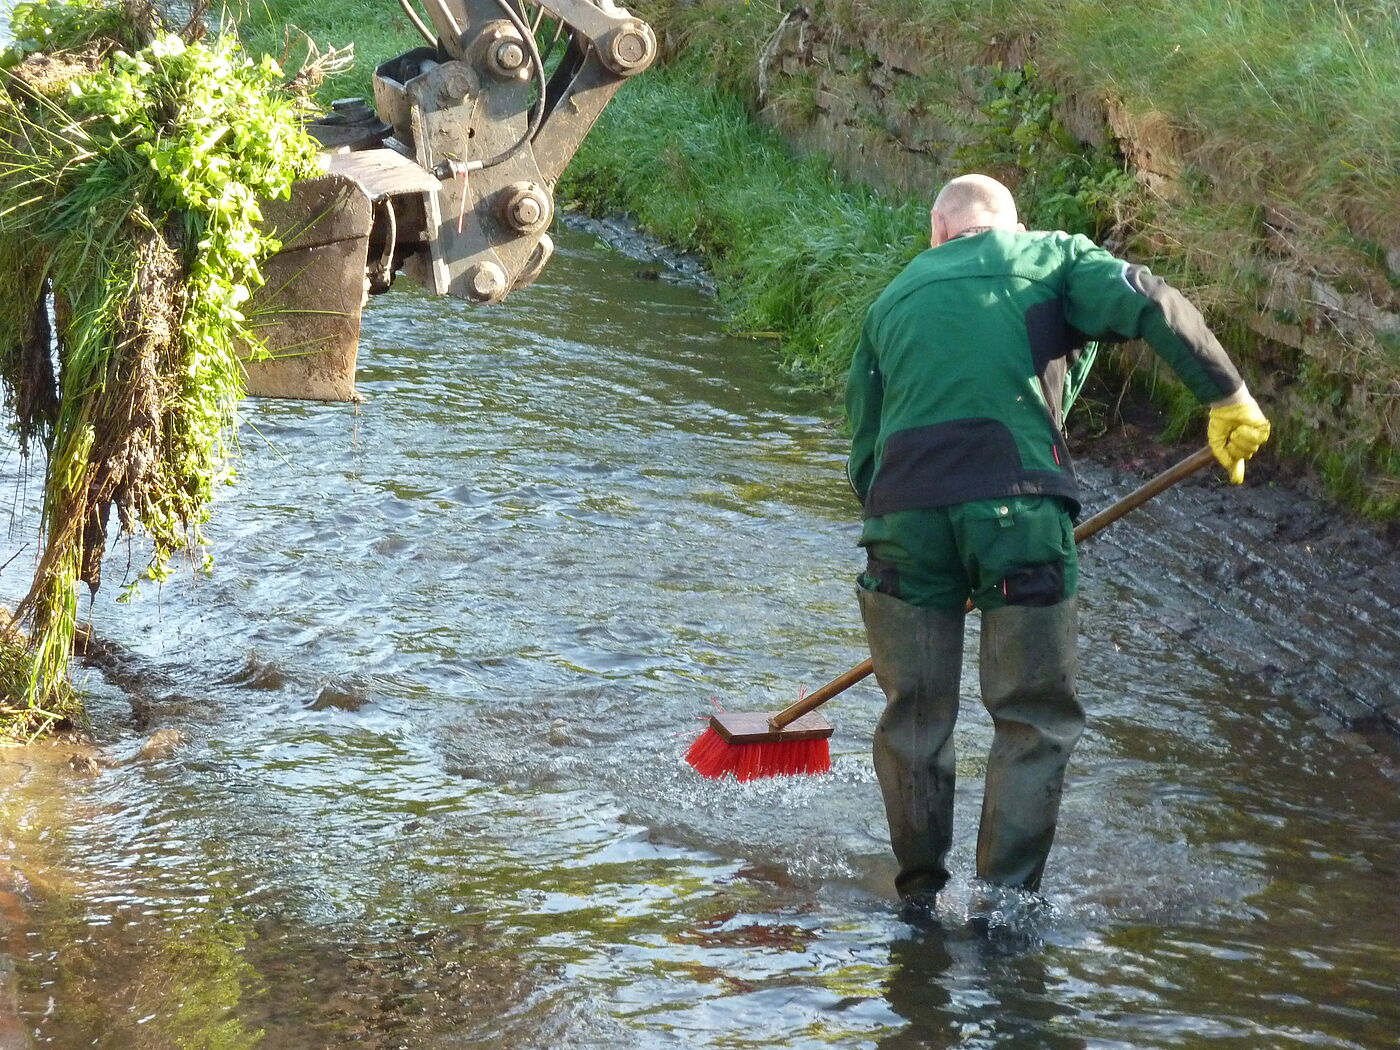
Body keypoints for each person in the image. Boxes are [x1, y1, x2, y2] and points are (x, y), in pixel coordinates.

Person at [845, 173, 1271, 917]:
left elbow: (863, 453)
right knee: (1032, 714)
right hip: (1018, 512)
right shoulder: (1051, 256)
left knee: (913, 712)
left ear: (938, 233)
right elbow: (1149, 301)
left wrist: (925, 540)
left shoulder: (891, 300)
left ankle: (918, 898)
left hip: (902, 522)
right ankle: (1002, 911)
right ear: (1007, 223)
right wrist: (1228, 395)